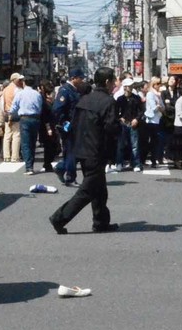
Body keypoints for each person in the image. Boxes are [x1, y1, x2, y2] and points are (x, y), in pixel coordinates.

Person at [49, 67, 121, 234]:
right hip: (96, 151)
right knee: (88, 190)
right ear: (107, 82)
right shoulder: (108, 102)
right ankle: (59, 218)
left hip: (82, 149)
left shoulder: (84, 100)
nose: (114, 84)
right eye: (113, 81)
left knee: (100, 189)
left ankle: (101, 222)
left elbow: (74, 124)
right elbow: (111, 128)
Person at [53, 69, 84, 186]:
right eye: (80, 78)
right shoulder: (65, 90)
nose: (82, 81)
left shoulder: (74, 90)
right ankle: (70, 177)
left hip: (75, 125)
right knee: (72, 152)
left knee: (70, 152)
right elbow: (57, 109)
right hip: (68, 126)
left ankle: (61, 167)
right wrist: (63, 122)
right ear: (74, 78)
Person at [10, 76, 43, 175]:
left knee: (25, 143)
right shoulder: (37, 94)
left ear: (24, 83)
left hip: (24, 118)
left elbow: (14, 107)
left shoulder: (20, 93)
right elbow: (39, 106)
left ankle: (29, 167)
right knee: (33, 142)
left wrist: (10, 113)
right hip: (36, 118)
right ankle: (31, 164)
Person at [114, 78, 142, 172]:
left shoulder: (136, 98)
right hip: (123, 123)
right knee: (120, 145)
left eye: (131, 86)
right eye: (128, 86)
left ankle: (136, 164)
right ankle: (119, 163)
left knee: (135, 145)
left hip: (134, 123)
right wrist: (119, 118)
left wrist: (137, 119)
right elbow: (116, 112)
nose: (130, 88)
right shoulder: (120, 99)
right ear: (124, 87)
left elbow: (141, 111)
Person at [142, 76, 164, 168]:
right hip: (151, 120)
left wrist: (160, 106)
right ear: (154, 85)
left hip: (158, 120)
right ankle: (147, 159)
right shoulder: (150, 94)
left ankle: (154, 160)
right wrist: (159, 106)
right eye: (158, 84)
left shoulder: (158, 95)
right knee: (150, 141)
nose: (159, 86)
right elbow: (154, 108)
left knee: (156, 142)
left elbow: (163, 107)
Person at [2, 73, 24, 162]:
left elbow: (2, 103)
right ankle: (15, 156)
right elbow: (20, 103)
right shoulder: (18, 90)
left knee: (7, 135)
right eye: (19, 80)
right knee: (16, 134)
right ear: (14, 80)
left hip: (6, 113)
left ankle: (6, 156)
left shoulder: (5, 89)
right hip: (15, 113)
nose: (21, 81)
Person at [39, 81, 60, 172]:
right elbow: (45, 117)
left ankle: (48, 163)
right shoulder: (45, 104)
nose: (53, 95)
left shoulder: (50, 103)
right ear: (48, 95)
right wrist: (48, 128)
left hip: (52, 126)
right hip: (47, 127)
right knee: (49, 146)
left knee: (53, 146)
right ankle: (47, 164)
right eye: (52, 94)